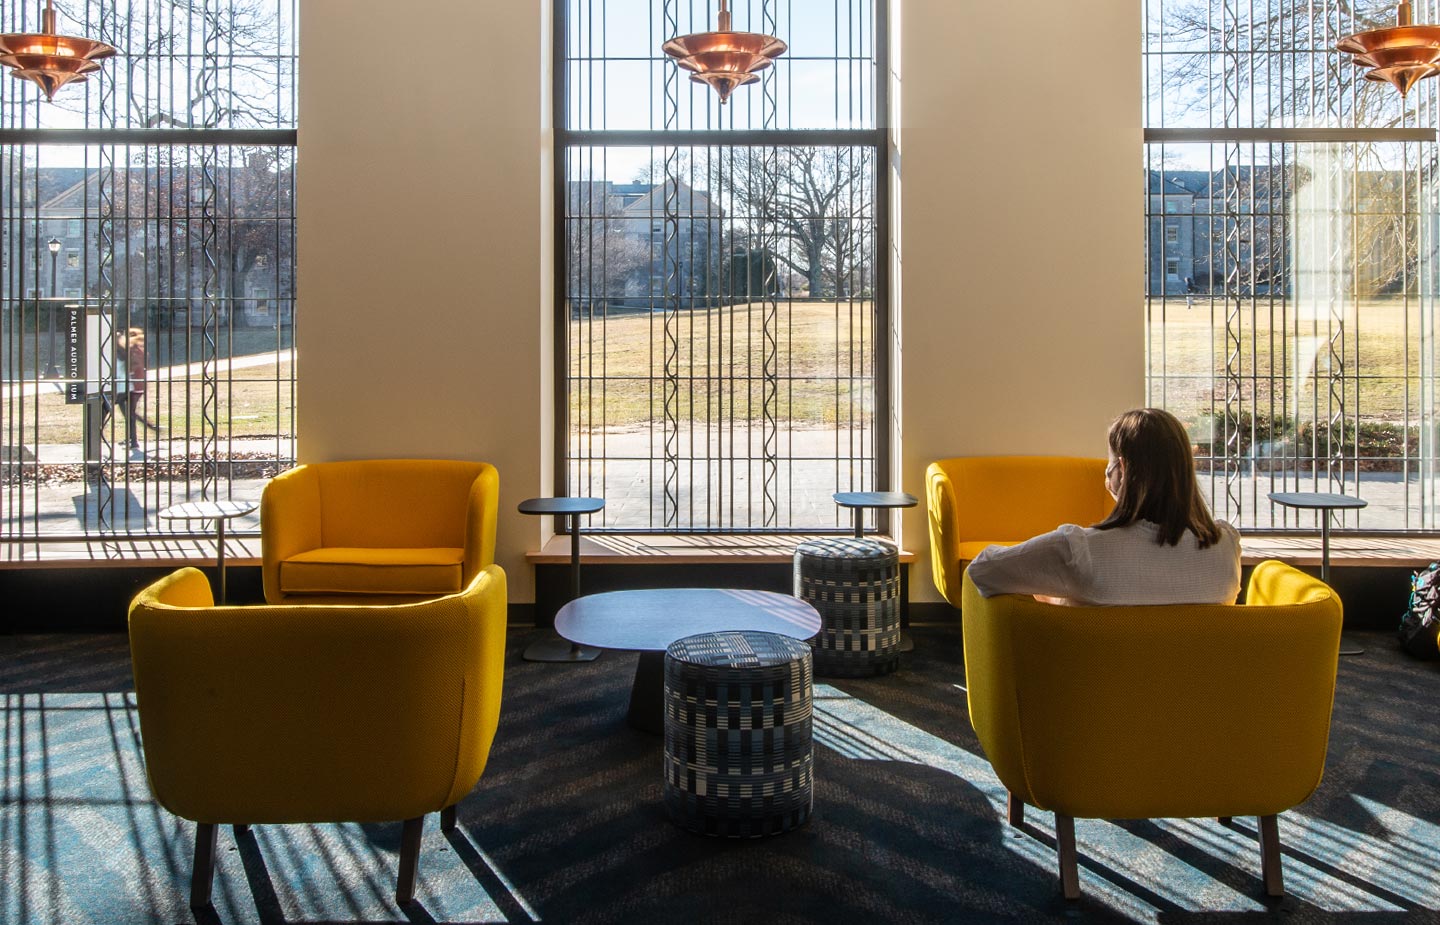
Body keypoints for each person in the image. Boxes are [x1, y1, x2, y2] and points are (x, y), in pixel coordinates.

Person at [966, 407, 1241, 606]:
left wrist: (1054, 590)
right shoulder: (1226, 549)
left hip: (1091, 686)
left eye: (1110, 461)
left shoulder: (1078, 552)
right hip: (1197, 687)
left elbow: (981, 571)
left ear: (1121, 468)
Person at [107, 327, 159, 451]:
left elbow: (134, 367)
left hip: (128, 387)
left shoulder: (129, 352)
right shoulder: (129, 351)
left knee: (128, 413)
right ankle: (134, 438)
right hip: (130, 386)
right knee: (130, 413)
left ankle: (138, 436)